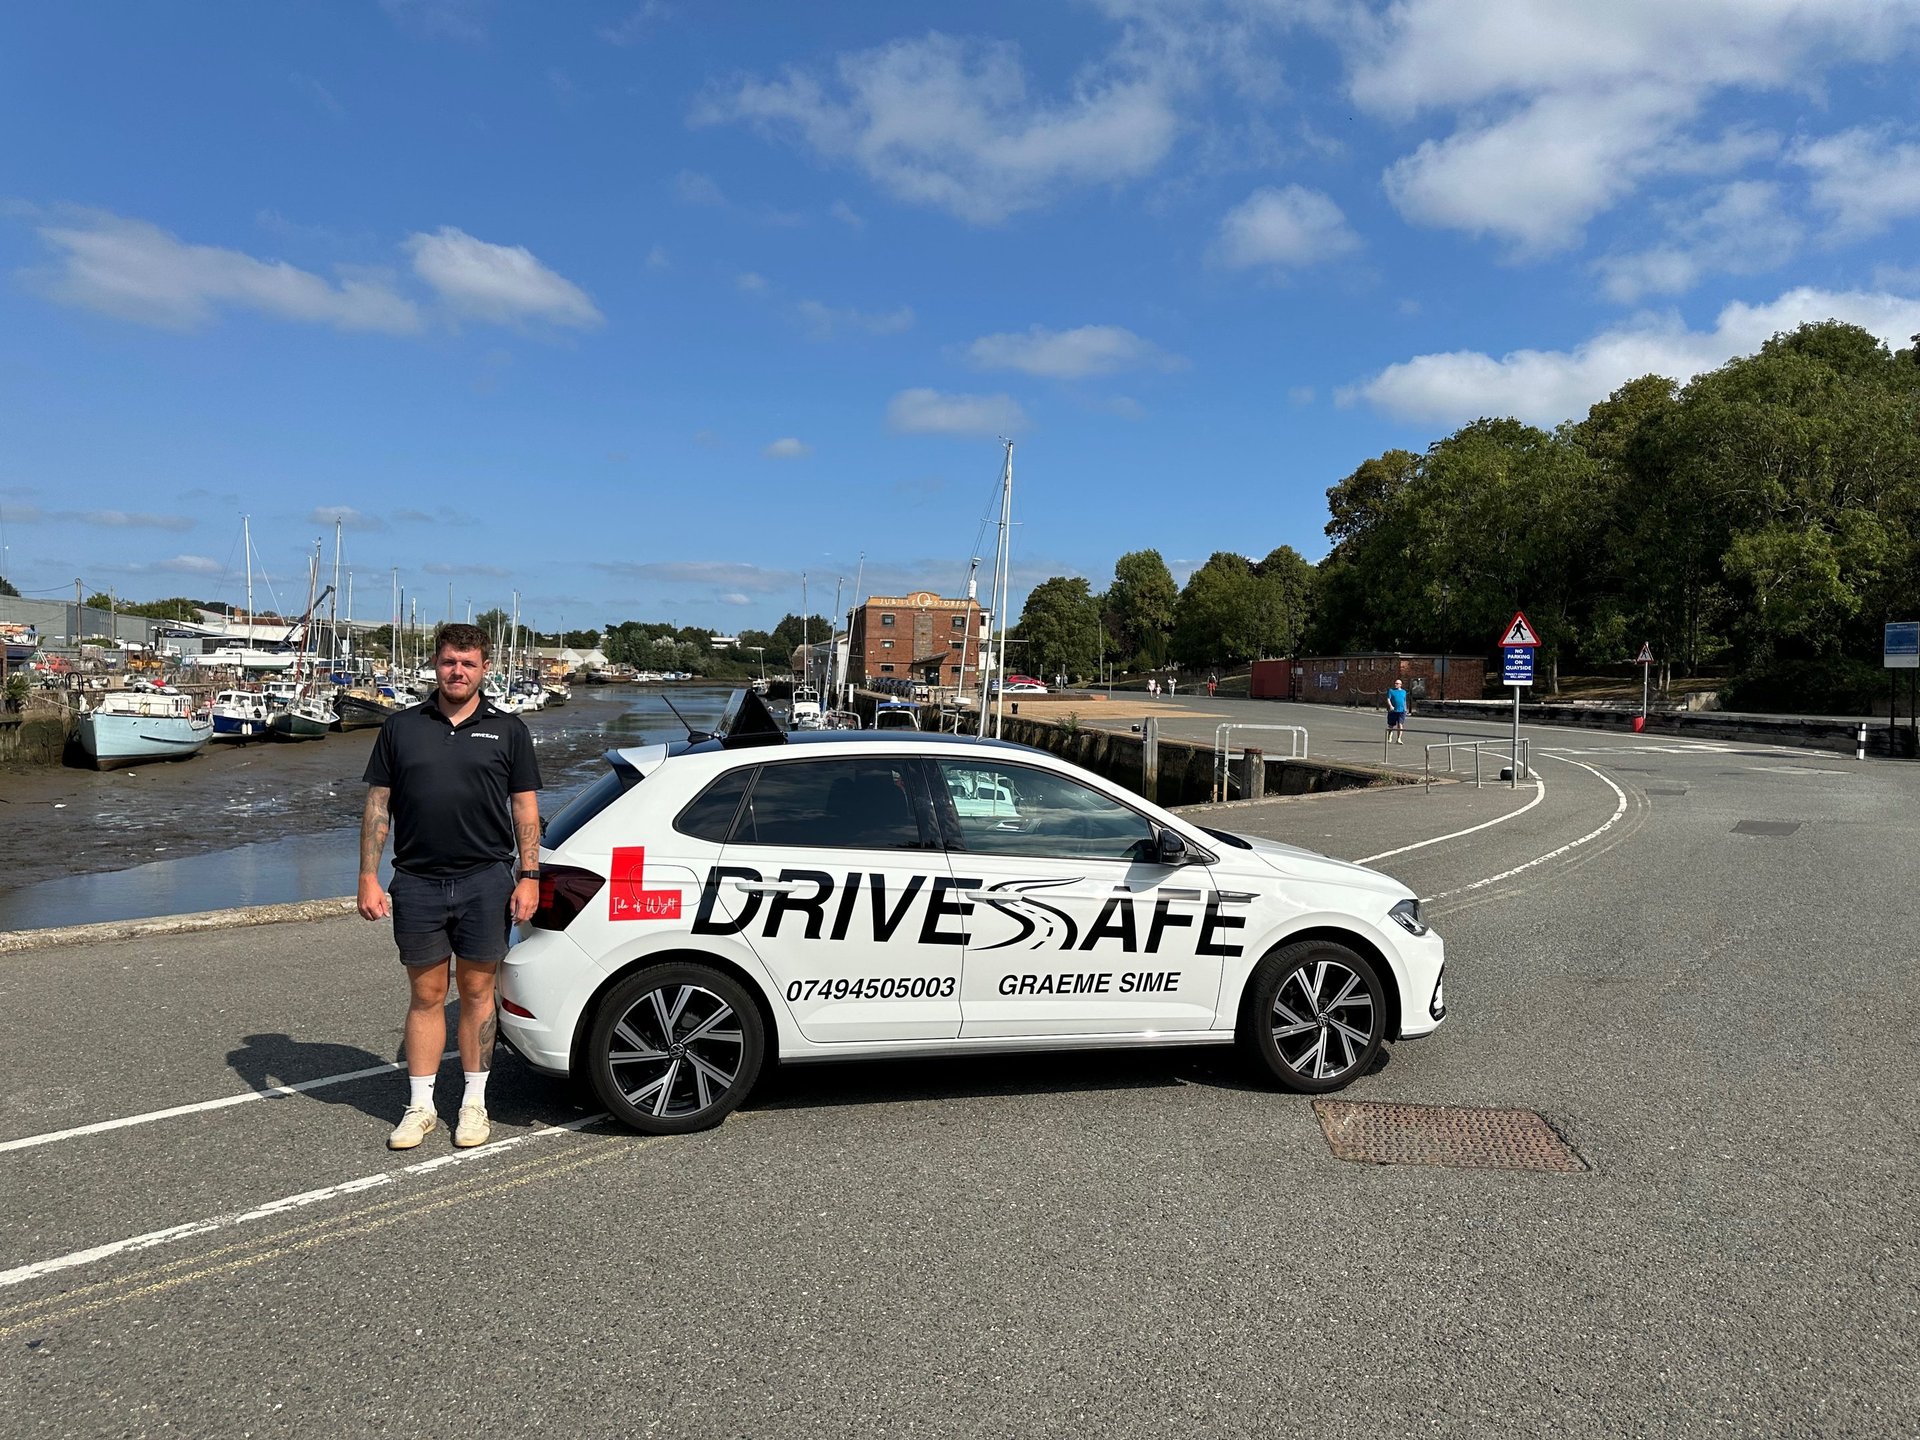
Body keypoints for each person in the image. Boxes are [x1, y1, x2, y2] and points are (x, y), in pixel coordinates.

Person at [359, 622, 543, 1151]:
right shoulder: (401, 727)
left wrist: (528, 876)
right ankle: (420, 1108)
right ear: (435, 666)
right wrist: (368, 876)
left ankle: (473, 1104)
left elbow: (524, 808)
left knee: (478, 994)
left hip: (486, 880)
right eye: (448, 662)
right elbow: (378, 805)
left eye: (467, 663)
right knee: (426, 994)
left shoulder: (508, 730)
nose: (457, 671)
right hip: (416, 881)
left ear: (485, 668)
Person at [1386, 678, 1409, 744]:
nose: (1395, 684)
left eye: (1397, 683)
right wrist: (1390, 706)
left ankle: (1399, 739)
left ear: (1400, 685)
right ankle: (1389, 736)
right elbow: (1388, 699)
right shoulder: (1391, 690)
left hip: (1401, 710)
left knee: (1400, 724)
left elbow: (1404, 701)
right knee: (1391, 725)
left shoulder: (1404, 692)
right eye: (1395, 683)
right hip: (1393, 710)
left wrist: (1405, 709)